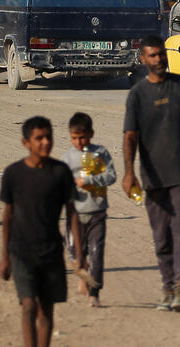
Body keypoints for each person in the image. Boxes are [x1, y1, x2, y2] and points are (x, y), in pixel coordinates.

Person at [122, 35, 180, 312]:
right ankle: (168, 286)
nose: (159, 59)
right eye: (153, 55)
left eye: (161, 54)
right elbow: (130, 137)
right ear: (143, 59)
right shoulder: (137, 95)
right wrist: (128, 173)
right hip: (153, 178)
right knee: (161, 236)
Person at [0, 116, 83, 347]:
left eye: (48, 137)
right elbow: (8, 215)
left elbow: (72, 214)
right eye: (39, 138)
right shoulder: (14, 174)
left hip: (51, 252)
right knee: (28, 305)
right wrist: (5, 256)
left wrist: (79, 255)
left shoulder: (60, 173)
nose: (46, 142)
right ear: (26, 143)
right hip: (21, 252)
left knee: (46, 311)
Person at [62, 112, 116, 307]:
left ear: (91, 134)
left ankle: (94, 293)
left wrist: (91, 181)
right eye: (74, 138)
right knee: (76, 253)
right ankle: (82, 273)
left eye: (82, 137)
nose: (78, 142)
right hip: (74, 213)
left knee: (96, 252)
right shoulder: (67, 158)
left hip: (96, 211)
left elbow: (111, 176)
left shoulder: (100, 153)